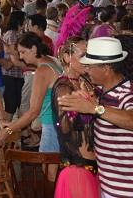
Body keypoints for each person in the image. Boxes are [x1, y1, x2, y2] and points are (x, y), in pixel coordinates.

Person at [58, 37, 133, 198]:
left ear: (106, 68)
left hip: (127, 189)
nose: (86, 70)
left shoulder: (129, 94)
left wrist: (94, 108)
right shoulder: (103, 92)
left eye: (90, 66)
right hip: (111, 184)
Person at [0, 32, 62, 179]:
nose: (21, 56)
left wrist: (8, 131)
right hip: (59, 124)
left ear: (34, 49)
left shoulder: (42, 71)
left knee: (50, 175)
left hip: (51, 127)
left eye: (23, 52)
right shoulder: (52, 61)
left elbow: (33, 112)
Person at [50, 36, 100, 198]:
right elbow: (65, 127)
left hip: (93, 165)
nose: (88, 60)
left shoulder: (84, 81)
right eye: (83, 55)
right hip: (77, 169)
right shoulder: (63, 87)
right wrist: (87, 109)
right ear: (67, 57)